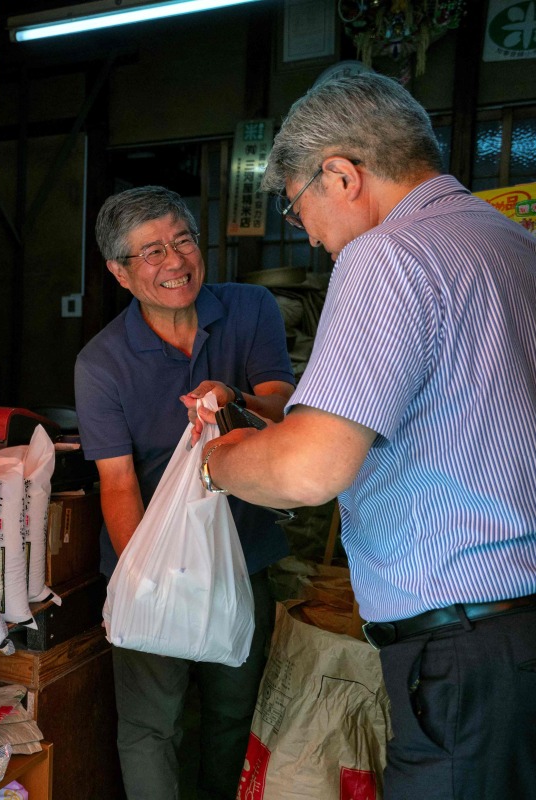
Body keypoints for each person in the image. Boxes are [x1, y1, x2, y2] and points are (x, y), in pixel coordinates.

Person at [200, 72, 536, 798]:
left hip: (461, 652)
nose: (313, 237)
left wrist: (216, 459)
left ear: (341, 175)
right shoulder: (511, 245)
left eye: (299, 210)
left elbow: (308, 471)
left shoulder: (388, 256)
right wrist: (265, 420)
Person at [74, 186, 295, 799]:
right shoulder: (102, 364)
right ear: (120, 272)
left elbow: (282, 411)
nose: (175, 262)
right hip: (149, 562)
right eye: (150, 252)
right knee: (152, 725)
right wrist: (153, 577)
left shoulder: (250, 310)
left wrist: (234, 399)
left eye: (183, 240)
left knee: (231, 714)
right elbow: (117, 481)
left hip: (242, 557)